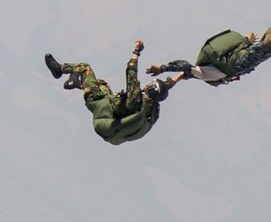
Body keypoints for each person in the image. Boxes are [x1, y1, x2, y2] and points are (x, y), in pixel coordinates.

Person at [147, 0, 271, 86]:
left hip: (240, 63)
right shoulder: (209, 72)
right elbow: (185, 73)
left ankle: (266, 41)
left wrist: (162, 68)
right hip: (243, 57)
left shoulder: (206, 75)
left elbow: (184, 66)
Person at [44, 40, 179, 145]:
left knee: (85, 69)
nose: (147, 85)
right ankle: (75, 83)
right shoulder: (151, 107)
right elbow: (165, 88)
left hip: (100, 106)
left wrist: (136, 52)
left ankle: (59, 69)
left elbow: (130, 72)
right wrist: (183, 75)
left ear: (150, 90)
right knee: (101, 84)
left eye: (150, 85)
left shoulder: (136, 100)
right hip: (112, 114)